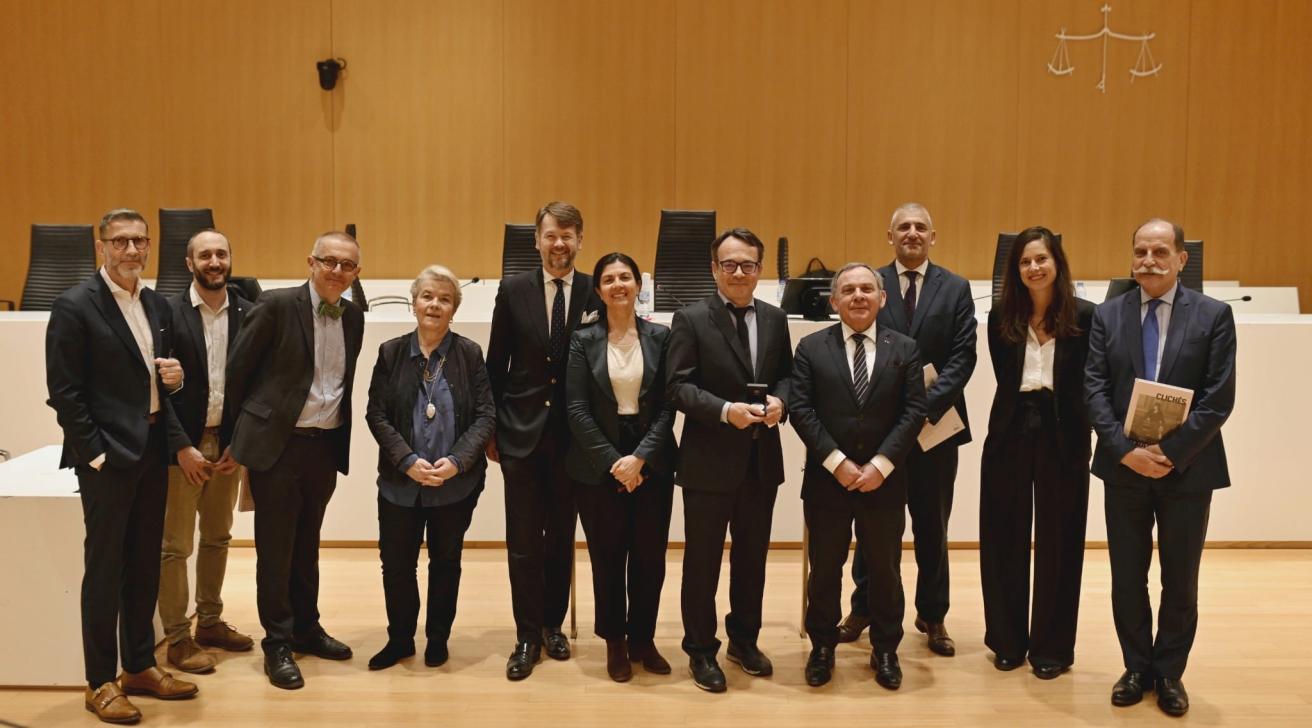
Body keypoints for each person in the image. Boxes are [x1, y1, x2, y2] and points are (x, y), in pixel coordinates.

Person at [45, 208, 198, 724]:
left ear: (150, 246)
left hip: (153, 453)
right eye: (121, 242)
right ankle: (99, 681)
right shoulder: (74, 306)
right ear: (101, 247)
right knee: (105, 571)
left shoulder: (157, 305)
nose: (132, 251)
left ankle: (137, 665)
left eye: (140, 242)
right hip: (108, 460)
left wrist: (174, 379)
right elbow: (65, 395)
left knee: (143, 565)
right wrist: (97, 455)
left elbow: (158, 380)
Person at [1085, 218, 1236, 717]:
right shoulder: (1108, 316)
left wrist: (1170, 454)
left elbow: (1218, 400)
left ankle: (1170, 672)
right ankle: (1135, 666)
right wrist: (1125, 450)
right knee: (1128, 576)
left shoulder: (1214, 316)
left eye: (1159, 252)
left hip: (1188, 470)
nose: (1148, 261)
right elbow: (1094, 390)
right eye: (1140, 252)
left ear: (1180, 259)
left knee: (1180, 578)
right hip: (1123, 467)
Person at [226, 230, 366, 689]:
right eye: (329, 262)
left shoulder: (354, 317)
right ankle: (277, 643)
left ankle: (307, 627)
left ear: (356, 273)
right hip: (278, 447)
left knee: (308, 544)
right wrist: (237, 440)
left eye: (347, 266)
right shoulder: (276, 305)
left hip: (323, 446)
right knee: (276, 548)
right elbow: (239, 371)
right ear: (311, 262)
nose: (337, 272)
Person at [840, 202, 977, 658]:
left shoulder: (956, 288)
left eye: (920, 227)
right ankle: (864, 607)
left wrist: (921, 408)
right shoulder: (869, 284)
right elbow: (859, 345)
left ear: (933, 237)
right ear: (890, 235)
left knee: (932, 526)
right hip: (881, 432)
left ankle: (932, 614)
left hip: (937, 429)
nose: (912, 233)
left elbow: (963, 359)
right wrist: (899, 415)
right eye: (904, 227)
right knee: (875, 526)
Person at [667, 227, 793, 693]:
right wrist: (724, 412)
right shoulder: (691, 318)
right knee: (702, 562)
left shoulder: (776, 319)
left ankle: (744, 639)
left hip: (761, 462)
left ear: (760, 270)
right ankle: (701, 650)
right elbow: (677, 386)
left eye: (749, 265)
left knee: (752, 560)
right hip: (707, 462)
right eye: (730, 264)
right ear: (714, 269)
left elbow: (788, 377)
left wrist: (782, 402)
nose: (740, 273)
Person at [790, 263, 926, 690]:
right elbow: (801, 409)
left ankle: (885, 649)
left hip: (884, 482)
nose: (859, 296)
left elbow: (913, 412)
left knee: (885, 569)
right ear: (834, 301)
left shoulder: (905, 348)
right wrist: (838, 462)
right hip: (828, 482)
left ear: (883, 298)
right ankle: (823, 647)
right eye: (848, 290)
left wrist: (879, 466)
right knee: (826, 568)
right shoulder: (811, 348)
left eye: (868, 289)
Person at [486, 201, 603, 680]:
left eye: (569, 235)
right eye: (552, 235)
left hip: (575, 440)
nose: (560, 244)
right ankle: (526, 634)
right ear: (536, 240)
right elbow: (497, 365)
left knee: (561, 538)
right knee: (522, 541)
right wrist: (491, 429)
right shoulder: (513, 289)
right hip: (521, 434)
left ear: (580, 240)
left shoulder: (599, 289)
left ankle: (553, 625)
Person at [364, 265, 495, 671]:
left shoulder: (469, 353)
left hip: (453, 485)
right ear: (414, 302)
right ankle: (400, 639)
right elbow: (376, 414)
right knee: (397, 565)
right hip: (400, 484)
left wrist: (457, 462)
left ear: (454, 308)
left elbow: (487, 415)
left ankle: (438, 638)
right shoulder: (390, 352)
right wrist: (406, 461)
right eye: (427, 296)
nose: (434, 305)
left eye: (444, 299)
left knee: (446, 562)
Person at [979, 226, 1095, 679]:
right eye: (1025, 261)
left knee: (1060, 540)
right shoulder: (999, 317)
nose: (1034, 267)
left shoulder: (1086, 316)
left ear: (1057, 263)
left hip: (1064, 430)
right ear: (1016, 270)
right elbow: (1005, 379)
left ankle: (1052, 648)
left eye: (1041, 259)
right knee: (1003, 533)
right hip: (1011, 427)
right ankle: (1007, 641)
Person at [565, 253, 677, 683]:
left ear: (637, 285)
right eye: (609, 279)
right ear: (598, 290)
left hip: (652, 458)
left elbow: (671, 404)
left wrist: (641, 458)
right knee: (607, 557)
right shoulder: (583, 340)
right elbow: (575, 410)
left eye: (625, 277)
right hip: (599, 461)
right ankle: (614, 640)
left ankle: (643, 639)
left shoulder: (661, 337)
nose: (618, 285)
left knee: (650, 557)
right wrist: (616, 463)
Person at [160, 229, 255, 675]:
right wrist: (180, 446)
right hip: (184, 447)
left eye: (221, 253)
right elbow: (156, 390)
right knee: (174, 546)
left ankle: (211, 622)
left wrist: (242, 442)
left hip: (229, 445)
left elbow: (256, 387)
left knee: (218, 538)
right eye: (205, 255)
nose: (214, 261)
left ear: (230, 259)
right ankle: (178, 637)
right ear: (189, 263)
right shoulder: (166, 313)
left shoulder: (250, 313)